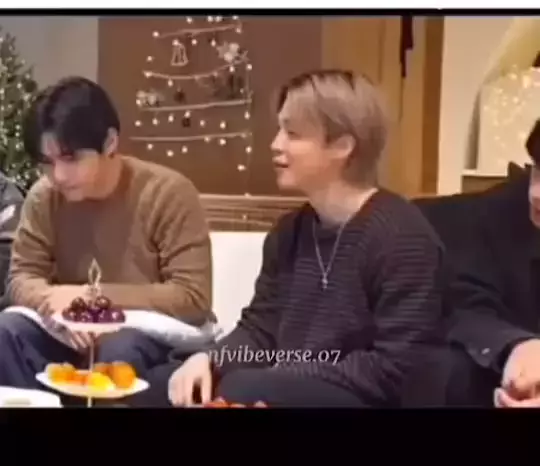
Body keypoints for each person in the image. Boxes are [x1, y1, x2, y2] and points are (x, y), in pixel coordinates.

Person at [136, 69, 447, 408]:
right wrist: (211, 360)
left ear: (342, 146)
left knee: (241, 387)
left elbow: (396, 368)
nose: (276, 144)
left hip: (362, 397)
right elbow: (260, 329)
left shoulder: (403, 236)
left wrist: (278, 379)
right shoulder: (289, 232)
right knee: (158, 385)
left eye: (293, 133)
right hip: (284, 382)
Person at [0, 76, 214, 390]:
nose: (58, 175)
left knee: (119, 351)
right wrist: (57, 305)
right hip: (70, 333)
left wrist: (91, 300)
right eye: (47, 163)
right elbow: (21, 278)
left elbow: (193, 297)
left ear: (110, 142)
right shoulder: (44, 196)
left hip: (146, 335)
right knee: (7, 330)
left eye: (71, 158)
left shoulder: (168, 192)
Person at [404, 118, 540, 408]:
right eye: (538, 170)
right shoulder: (495, 216)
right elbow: (465, 303)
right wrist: (517, 346)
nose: (536, 194)